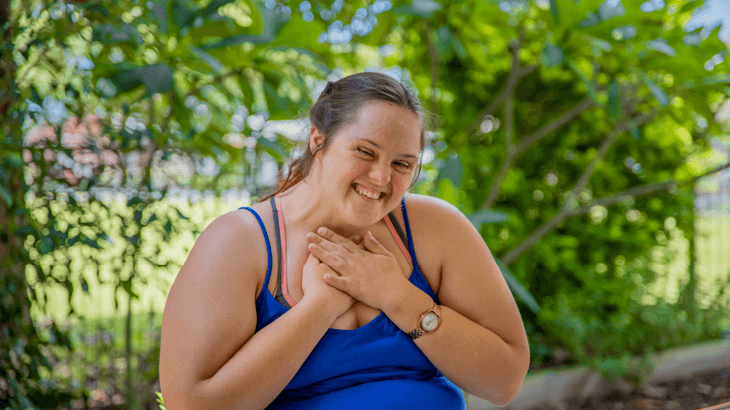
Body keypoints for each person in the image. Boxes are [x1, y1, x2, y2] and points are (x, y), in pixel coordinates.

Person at [159, 72, 529, 409]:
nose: (382, 177)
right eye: (365, 152)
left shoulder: (436, 229)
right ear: (318, 140)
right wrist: (318, 308)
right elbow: (191, 405)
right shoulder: (239, 242)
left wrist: (397, 296)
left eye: (402, 164)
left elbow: (504, 381)